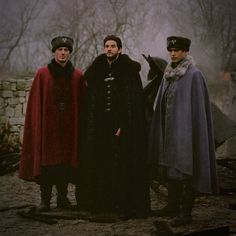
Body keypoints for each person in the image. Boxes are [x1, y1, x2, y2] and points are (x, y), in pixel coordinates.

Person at [76, 35, 150, 221]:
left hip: (122, 126)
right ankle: (102, 202)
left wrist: (124, 126)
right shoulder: (97, 70)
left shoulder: (128, 70)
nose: (109, 49)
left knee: (123, 165)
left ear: (120, 49)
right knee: (102, 163)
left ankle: (125, 204)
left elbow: (133, 102)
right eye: (107, 46)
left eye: (113, 46)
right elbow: (91, 101)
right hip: (101, 127)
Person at [148, 36, 218, 226]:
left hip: (186, 132)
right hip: (169, 130)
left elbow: (197, 109)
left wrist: (189, 131)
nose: (173, 53)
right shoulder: (168, 73)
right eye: (170, 50)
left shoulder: (194, 75)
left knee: (187, 167)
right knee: (171, 166)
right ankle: (172, 205)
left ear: (185, 52)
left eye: (177, 50)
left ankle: (185, 212)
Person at [19, 36, 86, 212]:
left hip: (69, 129)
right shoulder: (43, 74)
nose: (63, 53)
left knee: (65, 164)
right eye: (59, 50)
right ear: (54, 52)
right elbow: (36, 104)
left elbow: (83, 103)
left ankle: (63, 198)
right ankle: (45, 200)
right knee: (48, 164)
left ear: (70, 53)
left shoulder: (77, 75)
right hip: (48, 128)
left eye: (66, 50)